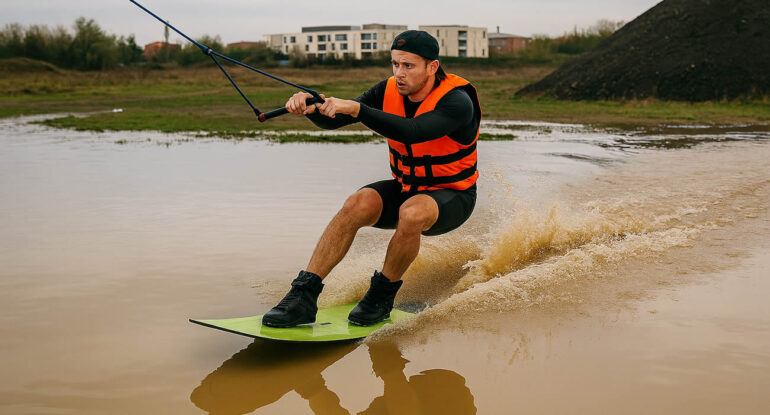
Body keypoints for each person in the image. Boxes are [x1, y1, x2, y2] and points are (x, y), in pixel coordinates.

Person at [262, 30, 481, 327]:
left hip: (452, 197)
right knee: (356, 203)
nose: (399, 73)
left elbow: (412, 131)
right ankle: (303, 296)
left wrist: (359, 109)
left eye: (408, 66)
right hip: (408, 188)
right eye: (395, 64)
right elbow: (336, 120)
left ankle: (380, 297)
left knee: (412, 212)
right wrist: (313, 107)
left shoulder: (457, 101)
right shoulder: (386, 90)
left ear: (432, 67)